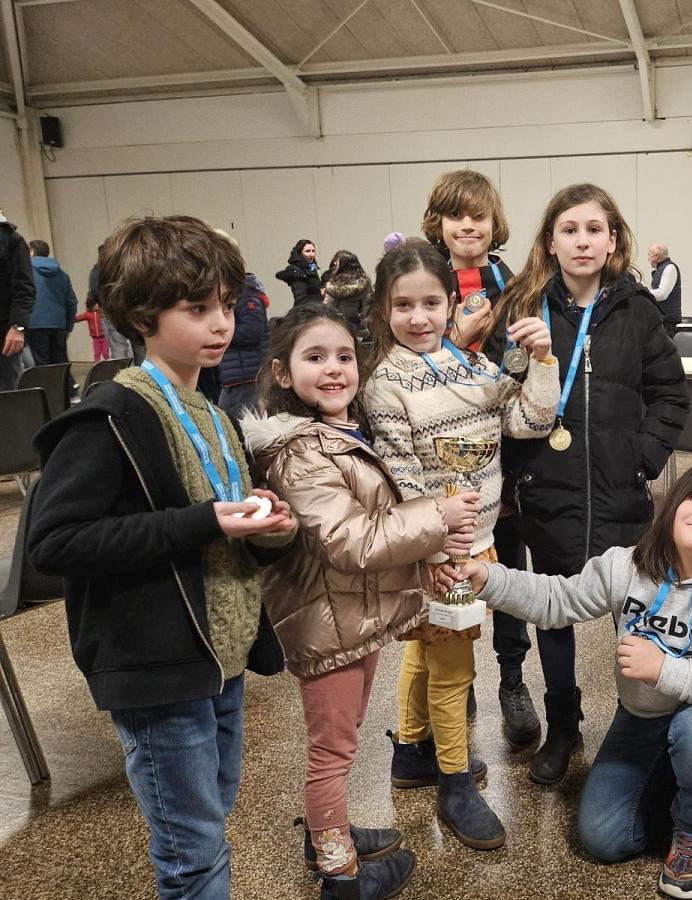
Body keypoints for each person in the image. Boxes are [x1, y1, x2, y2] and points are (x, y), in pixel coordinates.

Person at [27, 215, 297, 900]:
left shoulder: (214, 414)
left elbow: (221, 523)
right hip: (159, 665)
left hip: (220, 654)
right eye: (196, 309)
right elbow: (55, 542)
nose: (221, 323)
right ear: (144, 315)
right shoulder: (111, 416)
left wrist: (267, 527)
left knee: (211, 813)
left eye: (227, 306)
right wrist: (201, 522)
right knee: (192, 852)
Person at [439, 458, 692, 900]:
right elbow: (557, 600)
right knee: (605, 837)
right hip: (643, 716)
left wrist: (665, 670)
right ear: (674, 506)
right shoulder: (627, 566)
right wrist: (488, 578)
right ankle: (688, 788)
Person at [244, 304, 465, 899]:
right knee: (333, 750)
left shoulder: (341, 434)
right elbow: (350, 541)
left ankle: (328, 833)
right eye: (315, 357)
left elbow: (374, 522)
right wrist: (437, 517)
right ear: (283, 373)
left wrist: (428, 553)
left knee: (346, 734)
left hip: (351, 616)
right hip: (327, 622)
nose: (334, 369)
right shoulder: (299, 452)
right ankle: (340, 875)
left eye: (344, 356)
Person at [361, 238, 559, 850]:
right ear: (384, 309)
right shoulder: (384, 384)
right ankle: (453, 783)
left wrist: (542, 360)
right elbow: (403, 480)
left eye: (431, 303)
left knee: (425, 652)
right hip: (441, 554)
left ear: (452, 304)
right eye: (403, 305)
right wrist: (439, 554)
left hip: (480, 541)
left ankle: (411, 750)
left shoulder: (471, 367)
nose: (418, 318)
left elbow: (530, 421)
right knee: (453, 670)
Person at [488, 182, 688, 785]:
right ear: (550, 242)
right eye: (569, 230)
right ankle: (563, 726)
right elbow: (499, 397)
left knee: (635, 614)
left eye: (594, 229)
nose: (582, 241)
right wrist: (517, 475)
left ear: (613, 240)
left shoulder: (638, 310)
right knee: (554, 616)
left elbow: (671, 395)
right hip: (548, 492)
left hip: (620, 493)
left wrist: (642, 459)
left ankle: (642, 723)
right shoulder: (523, 310)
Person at [420, 168, 540, 748]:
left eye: (479, 216)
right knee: (450, 573)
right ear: (438, 224)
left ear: (495, 224)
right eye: (456, 216)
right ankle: (456, 679)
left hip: (503, 462)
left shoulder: (516, 286)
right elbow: (407, 367)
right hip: (442, 466)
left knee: (506, 572)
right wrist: (455, 341)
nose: (468, 226)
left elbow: (524, 369)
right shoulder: (422, 286)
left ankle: (512, 679)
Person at [27, 239, 80, 398]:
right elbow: (72, 302)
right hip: (59, 324)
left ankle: (49, 397)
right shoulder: (62, 274)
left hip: (35, 324)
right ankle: (70, 392)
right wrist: (68, 326)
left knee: (42, 363)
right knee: (61, 360)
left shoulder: (27, 273)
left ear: (32, 252)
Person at [217, 271, 270, 420]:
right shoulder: (234, 295)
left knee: (240, 421)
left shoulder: (247, 295)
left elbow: (252, 331)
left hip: (247, 374)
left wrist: (222, 334)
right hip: (235, 373)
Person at [0, 211, 34, 390]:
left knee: (10, 393)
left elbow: (24, 288)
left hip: (4, 336)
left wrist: (18, 327)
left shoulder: (12, 241)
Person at [322, 250, 372, 337]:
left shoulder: (333, 286)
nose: (335, 265)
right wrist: (364, 335)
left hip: (335, 331)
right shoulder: (364, 286)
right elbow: (366, 314)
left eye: (337, 263)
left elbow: (327, 311)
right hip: (356, 332)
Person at [646, 243, 683, 337]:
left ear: (656, 256)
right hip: (661, 320)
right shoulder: (660, 270)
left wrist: (644, 291)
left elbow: (662, 294)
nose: (648, 259)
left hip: (668, 322)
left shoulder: (669, 268)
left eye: (649, 255)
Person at [276, 239, 323, 307]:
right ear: (300, 253)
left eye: (313, 251)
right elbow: (300, 299)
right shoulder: (297, 271)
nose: (311, 254)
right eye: (307, 251)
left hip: (315, 308)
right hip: (306, 310)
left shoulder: (312, 268)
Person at [75, 296, 110, 361]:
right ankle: (97, 365)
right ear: (91, 306)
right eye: (94, 304)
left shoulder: (102, 313)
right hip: (95, 338)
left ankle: (108, 364)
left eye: (97, 304)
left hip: (104, 337)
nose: (96, 306)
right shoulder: (88, 314)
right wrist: (69, 319)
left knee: (105, 353)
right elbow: (77, 318)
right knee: (97, 353)